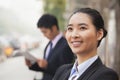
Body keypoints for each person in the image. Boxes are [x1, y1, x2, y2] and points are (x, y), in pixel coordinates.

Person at [53, 8, 119, 80]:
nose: (74, 35)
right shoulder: (62, 71)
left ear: (99, 34)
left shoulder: (106, 76)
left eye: (82, 28)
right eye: (70, 29)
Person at [25, 14, 75, 80]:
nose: (44, 35)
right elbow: (46, 70)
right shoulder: (49, 44)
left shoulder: (66, 45)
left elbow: (66, 73)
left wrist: (47, 66)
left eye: (45, 32)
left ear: (53, 28)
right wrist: (32, 65)